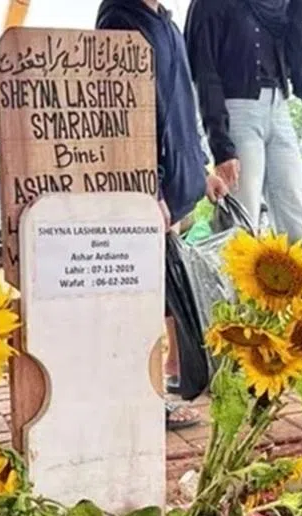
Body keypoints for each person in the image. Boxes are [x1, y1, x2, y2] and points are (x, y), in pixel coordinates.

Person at [96, 0, 229, 431]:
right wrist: (146, 188)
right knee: (141, 302)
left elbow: (181, 107)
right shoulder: (120, 18)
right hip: (148, 192)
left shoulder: (165, 21)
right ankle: (141, 399)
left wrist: (202, 168)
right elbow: (122, 112)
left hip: (176, 187)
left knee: (165, 298)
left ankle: (164, 384)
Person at [185, 0, 302, 259]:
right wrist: (221, 147)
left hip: (278, 104)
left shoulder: (281, 5)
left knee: (296, 209)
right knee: (242, 219)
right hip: (237, 109)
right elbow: (205, 72)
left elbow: (297, 47)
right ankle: (235, 299)